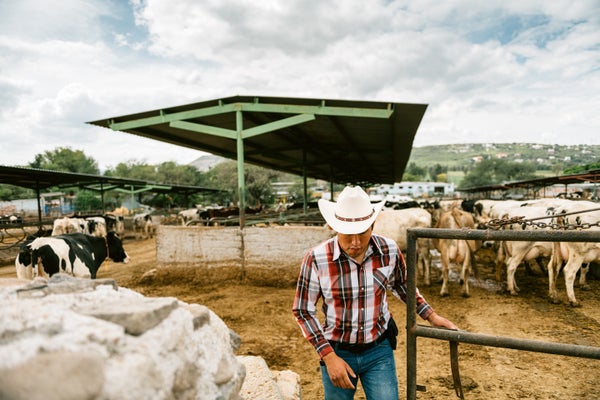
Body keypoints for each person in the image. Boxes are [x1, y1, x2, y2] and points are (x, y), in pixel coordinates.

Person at [292, 185, 458, 400]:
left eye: (362, 233)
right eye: (348, 234)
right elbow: (303, 310)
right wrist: (328, 356)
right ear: (334, 227)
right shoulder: (316, 258)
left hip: (379, 350)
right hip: (337, 350)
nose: (355, 242)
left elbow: (401, 285)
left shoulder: (388, 250)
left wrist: (431, 316)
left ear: (373, 225)